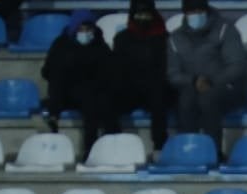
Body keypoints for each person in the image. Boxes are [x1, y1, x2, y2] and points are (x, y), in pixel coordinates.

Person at [167, 0, 247, 151]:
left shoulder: (225, 29)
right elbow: (172, 73)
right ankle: (189, 151)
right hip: (192, 86)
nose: (195, 15)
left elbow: (237, 66)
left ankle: (213, 153)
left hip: (226, 87)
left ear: (206, 10)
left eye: (199, 11)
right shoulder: (175, 37)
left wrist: (212, 82)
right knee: (185, 101)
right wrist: (193, 81)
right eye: (191, 12)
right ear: (184, 13)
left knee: (208, 99)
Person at [42, 10, 116, 157]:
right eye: (81, 29)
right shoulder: (61, 44)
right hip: (66, 91)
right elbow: (47, 71)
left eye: (88, 29)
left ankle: (97, 148)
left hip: (93, 92)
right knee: (59, 76)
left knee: (97, 100)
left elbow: (110, 71)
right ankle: (53, 119)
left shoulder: (99, 45)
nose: (85, 32)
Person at [112, 0, 172, 152]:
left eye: (146, 14)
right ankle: (112, 144)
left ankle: (160, 147)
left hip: (156, 87)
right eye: (139, 14)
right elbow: (118, 68)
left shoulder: (164, 38)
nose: (143, 18)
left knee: (159, 96)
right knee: (107, 99)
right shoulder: (122, 39)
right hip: (131, 89)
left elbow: (166, 68)